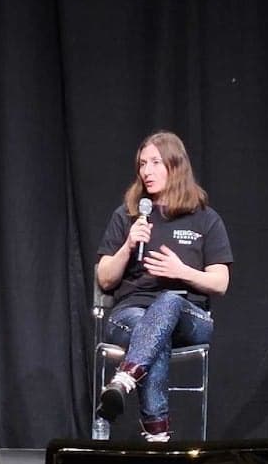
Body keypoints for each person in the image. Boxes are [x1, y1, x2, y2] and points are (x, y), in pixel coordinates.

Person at [95, 131, 233, 442]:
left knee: (169, 300)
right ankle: (158, 437)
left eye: (156, 162)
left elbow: (220, 283)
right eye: (143, 164)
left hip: (190, 318)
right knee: (154, 335)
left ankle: (125, 378)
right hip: (130, 314)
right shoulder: (128, 216)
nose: (147, 171)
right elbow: (105, 278)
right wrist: (129, 245)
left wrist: (182, 271)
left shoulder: (205, 220)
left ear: (176, 166)